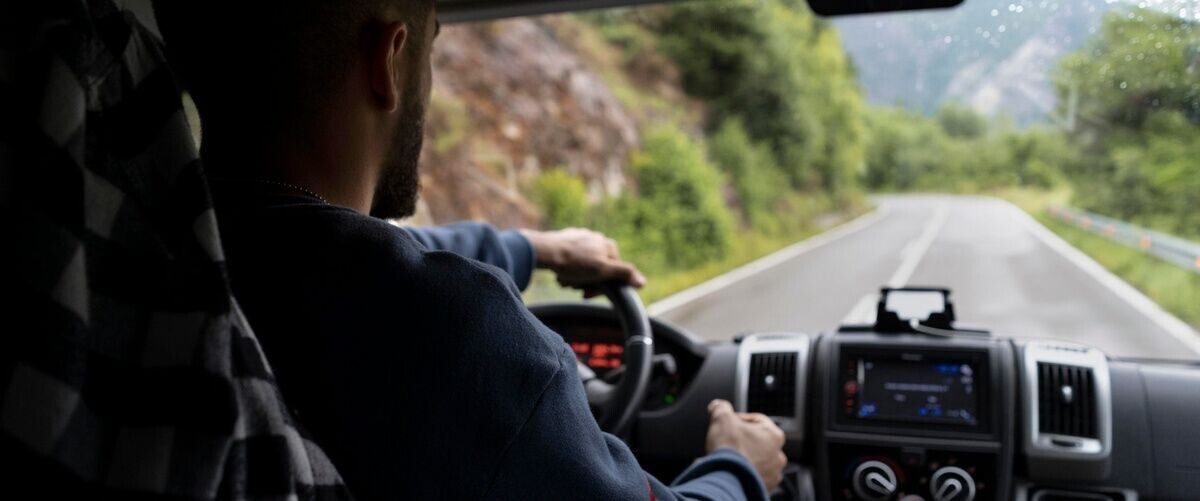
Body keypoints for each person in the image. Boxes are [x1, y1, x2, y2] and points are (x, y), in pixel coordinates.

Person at [152, 1, 788, 499]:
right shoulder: (452, 333)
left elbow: (361, 250)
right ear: (389, 61)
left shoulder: (167, 246)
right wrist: (737, 468)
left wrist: (533, 248)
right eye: (430, 47)